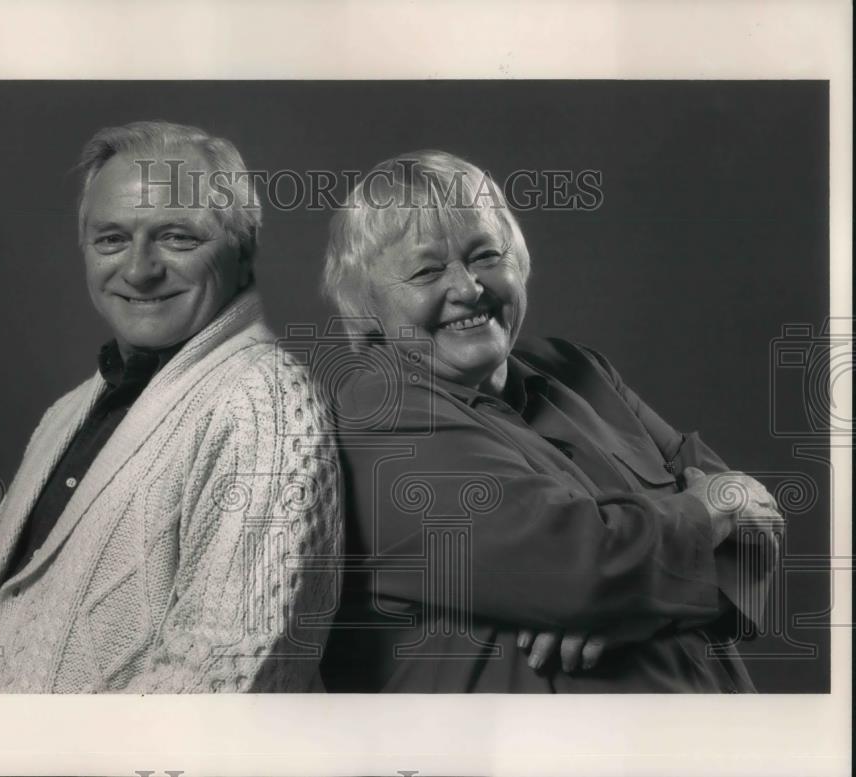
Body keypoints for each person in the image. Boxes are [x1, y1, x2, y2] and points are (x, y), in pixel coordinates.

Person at [0, 121, 340, 693]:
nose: (140, 269)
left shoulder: (266, 407)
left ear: (244, 252)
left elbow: (224, 673)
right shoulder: (69, 412)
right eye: (112, 239)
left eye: (177, 237)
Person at [318, 150, 783, 692]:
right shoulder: (378, 421)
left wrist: (630, 599)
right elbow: (582, 569)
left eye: (486, 255)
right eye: (426, 270)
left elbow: (758, 535)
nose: (468, 288)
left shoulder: (580, 370)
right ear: (365, 305)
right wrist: (723, 506)